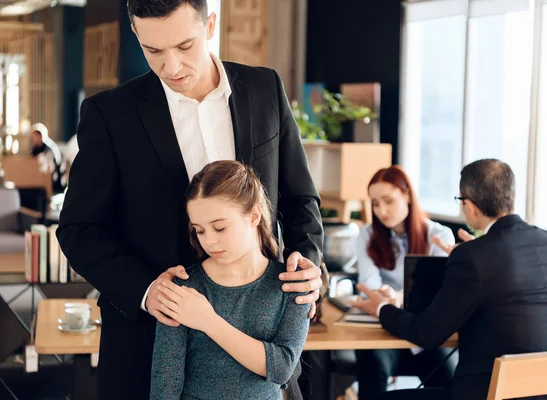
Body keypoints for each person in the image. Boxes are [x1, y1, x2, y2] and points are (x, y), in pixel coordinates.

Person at [56, 1, 324, 398]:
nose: (172, 67)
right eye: (154, 51)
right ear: (136, 33)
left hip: (260, 342)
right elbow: (79, 230)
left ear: (210, 23)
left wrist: (308, 261)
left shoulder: (265, 88)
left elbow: (300, 198)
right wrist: (147, 290)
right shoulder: (109, 114)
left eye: (184, 46)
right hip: (148, 348)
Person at [353, 159, 547, 400]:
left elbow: (427, 334)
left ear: (469, 205)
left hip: (491, 394)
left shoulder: (473, 256)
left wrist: (381, 308)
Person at [150, 160, 310, 399]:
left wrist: (208, 321)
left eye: (220, 228)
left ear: (254, 216)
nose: (209, 241)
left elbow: (282, 369)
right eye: (200, 231)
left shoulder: (293, 285)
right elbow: (165, 386)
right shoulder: (183, 287)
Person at [354, 165, 456, 399]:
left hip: (422, 330)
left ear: (408, 195)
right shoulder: (367, 235)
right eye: (375, 203)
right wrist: (389, 299)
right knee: (372, 368)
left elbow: (436, 293)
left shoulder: (439, 236)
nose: (381, 211)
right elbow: (369, 286)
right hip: (382, 328)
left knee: (452, 383)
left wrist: (396, 298)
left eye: (388, 201)